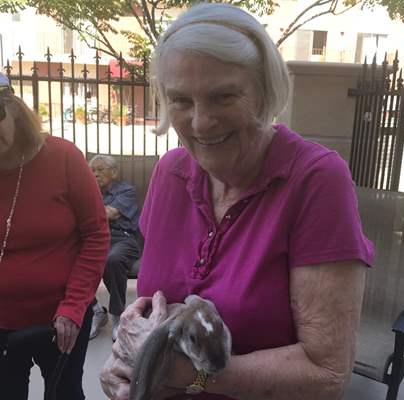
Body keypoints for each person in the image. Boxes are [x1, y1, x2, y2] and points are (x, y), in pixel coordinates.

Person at [100, 3, 374, 400]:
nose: (200, 122)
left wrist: (182, 375)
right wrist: (123, 363)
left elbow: (326, 373)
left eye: (224, 96)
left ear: (264, 91)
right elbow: (152, 311)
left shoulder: (315, 179)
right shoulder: (170, 173)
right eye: (180, 100)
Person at [0, 73, 110, 400]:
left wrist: (74, 305)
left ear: (14, 110)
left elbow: (96, 234)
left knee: (65, 395)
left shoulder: (63, 157)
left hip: (61, 321)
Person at [89, 155, 140, 341]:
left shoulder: (126, 190)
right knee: (67, 259)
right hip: (94, 239)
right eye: (92, 170)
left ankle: (118, 316)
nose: (95, 174)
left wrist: (86, 206)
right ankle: (95, 310)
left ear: (114, 172)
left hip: (122, 239)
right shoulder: (88, 191)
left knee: (113, 259)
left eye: (100, 169)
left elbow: (109, 213)